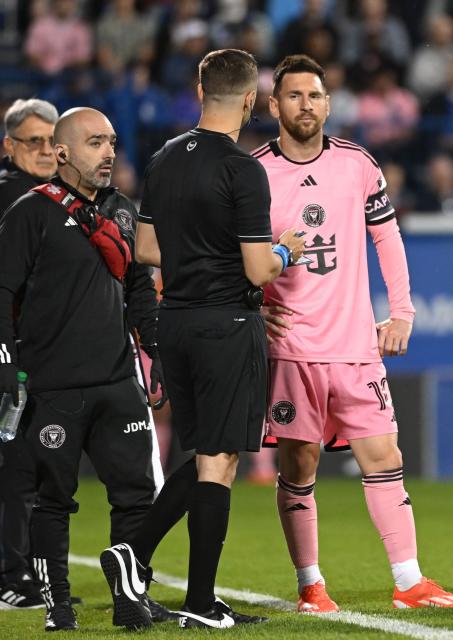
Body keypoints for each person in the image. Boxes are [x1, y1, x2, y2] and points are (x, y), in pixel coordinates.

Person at [256, 54, 453, 613]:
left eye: (315, 95)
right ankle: (311, 586)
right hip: (290, 348)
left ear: (328, 104)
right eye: (295, 96)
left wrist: (402, 313)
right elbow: (235, 256)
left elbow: (388, 239)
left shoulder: (357, 164)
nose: (306, 105)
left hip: (355, 345)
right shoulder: (253, 172)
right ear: (274, 104)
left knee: (383, 455)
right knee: (298, 465)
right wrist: (249, 307)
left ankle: (409, 582)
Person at [100, 48, 305, 631]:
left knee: (206, 455)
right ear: (249, 99)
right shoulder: (244, 170)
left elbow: (144, 251)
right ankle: (177, 584)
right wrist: (289, 246)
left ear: (199, 88)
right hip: (225, 324)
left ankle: (163, 574)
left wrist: (199, 255)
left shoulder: (163, 159)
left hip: (176, 324)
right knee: (219, 460)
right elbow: (261, 269)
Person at [0, 107, 166, 632]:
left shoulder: (123, 210)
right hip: (54, 388)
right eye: (94, 143)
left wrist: (154, 351)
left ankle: (131, 596)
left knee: (136, 496)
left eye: (111, 141)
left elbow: (136, 289)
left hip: (116, 382)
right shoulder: (27, 213)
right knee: (53, 501)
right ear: (61, 153)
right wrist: (3, 370)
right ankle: (57, 605)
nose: (108, 153)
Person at [0, 98, 57, 612]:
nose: (47, 150)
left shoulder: (44, 191)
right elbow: (1, 287)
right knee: (21, 466)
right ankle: (12, 577)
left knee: (42, 467)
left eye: (53, 141)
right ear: (10, 147)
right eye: (35, 142)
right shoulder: (8, 195)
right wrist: (3, 359)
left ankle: (35, 570)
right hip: (19, 351)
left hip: (50, 350)